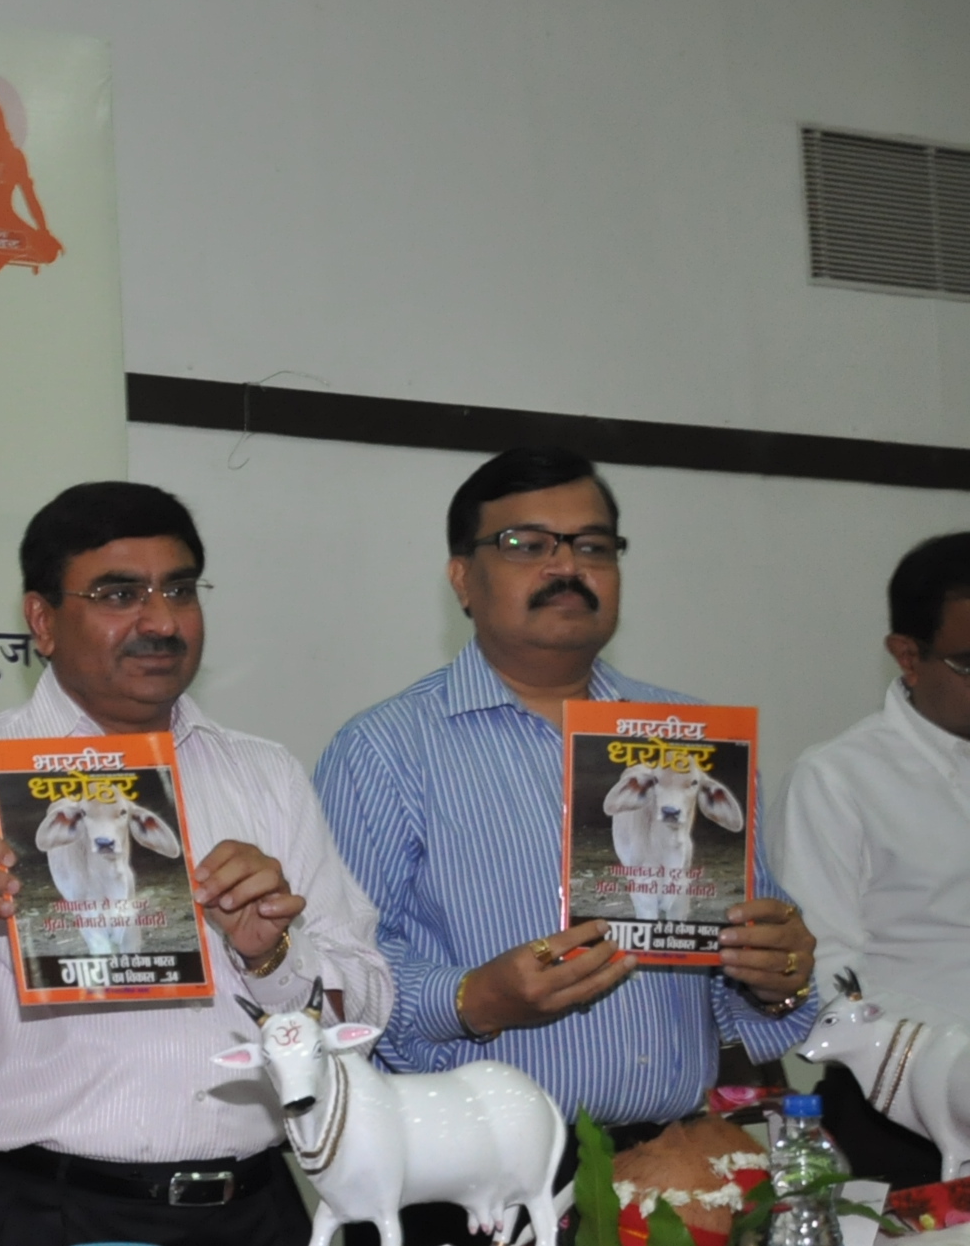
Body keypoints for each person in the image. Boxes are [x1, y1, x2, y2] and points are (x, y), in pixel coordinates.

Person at [0, 482, 392, 1246]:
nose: (161, 620)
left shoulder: (263, 777)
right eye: (119, 594)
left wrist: (272, 961)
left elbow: (371, 1011)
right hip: (38, 1229)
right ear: (41, 621)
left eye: (180, 589)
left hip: (256, 1223)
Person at [315, 448, 817, 1179]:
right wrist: (471, 1000)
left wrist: (780, 975)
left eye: (592, 546)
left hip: (667, 1160)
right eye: (526, 545)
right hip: (464, 1174)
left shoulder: (693, 738)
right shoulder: (384, 749)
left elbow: (742, 985)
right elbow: (335, 973)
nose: (566, 567)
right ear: (463, 579)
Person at [776, 531, 970, 1187]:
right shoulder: (840, 777)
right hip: (898, 1116)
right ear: (907, 656)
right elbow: (825, 970)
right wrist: (953, 1062)